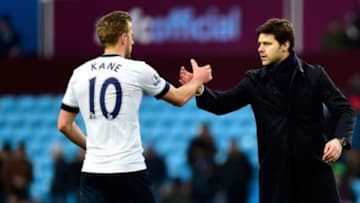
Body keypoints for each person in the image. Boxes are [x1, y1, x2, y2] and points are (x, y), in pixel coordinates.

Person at [179, 18, 355, 203]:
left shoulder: (315, 75)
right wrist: (198, 87)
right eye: (259, 44)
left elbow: (345, 111)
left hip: (315, 178)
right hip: (275, 182)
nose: (260, 49)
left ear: (285, 45)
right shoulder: (254, 82)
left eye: (267, 44)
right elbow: (220, 104)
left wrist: (339, 141)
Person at [57, 10, 212, 203]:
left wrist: (92, 147)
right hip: (128, 170)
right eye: (131, 35)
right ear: (123, 37)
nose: (133, 42)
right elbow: (179, 98)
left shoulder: (79, 73)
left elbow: (64, 124)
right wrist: (197, 81)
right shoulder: (137, 69)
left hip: (93, 172)